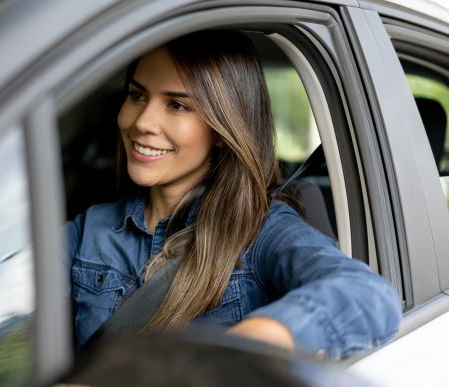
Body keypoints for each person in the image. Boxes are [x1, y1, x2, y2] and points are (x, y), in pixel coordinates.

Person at [65, 30, 402, 359]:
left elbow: (369, 295)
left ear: (223, 128)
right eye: (137, 95)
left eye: (177, 105)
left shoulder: (262, 233)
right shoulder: (89, 229)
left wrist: (254, 342)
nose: (143, 122)